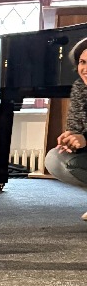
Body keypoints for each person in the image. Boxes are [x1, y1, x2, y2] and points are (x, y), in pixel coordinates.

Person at [44, 36, 87, 219]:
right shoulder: (80, 88)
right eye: (82, 62)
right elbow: (75, 127)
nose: (85, 69)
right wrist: (71, 139)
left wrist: (85, 139)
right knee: (55, 158)